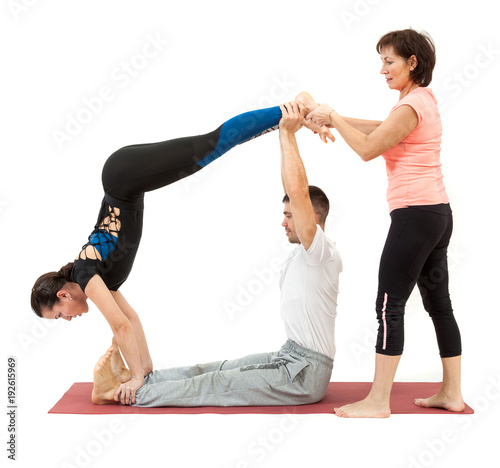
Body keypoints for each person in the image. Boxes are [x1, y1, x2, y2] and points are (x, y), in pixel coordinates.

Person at [30, 94, 332, 406]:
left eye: (57, 315)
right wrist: (144, 371)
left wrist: (135, 379)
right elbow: (130, 319)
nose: (65, 320)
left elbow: (118, 326)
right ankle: (295, 114)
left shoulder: (85, 274)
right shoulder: (95, 277)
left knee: (211, 144)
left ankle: (295, 107)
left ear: (63, 296)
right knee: (212, 146)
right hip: (125, 180)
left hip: (124, 176)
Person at [306, 28, 464, 417]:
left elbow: (367, 149)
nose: (382, 69)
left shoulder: (411, 106)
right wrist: (333, 116)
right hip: (436, 214)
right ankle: (452, 394)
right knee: (438, 305)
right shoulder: (415, 102)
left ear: (413, 63)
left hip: (415, 216)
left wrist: (332, 118)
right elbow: (378, 128)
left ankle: (378, 401)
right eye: (381, 61)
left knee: (388, 304)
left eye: (389, 61)